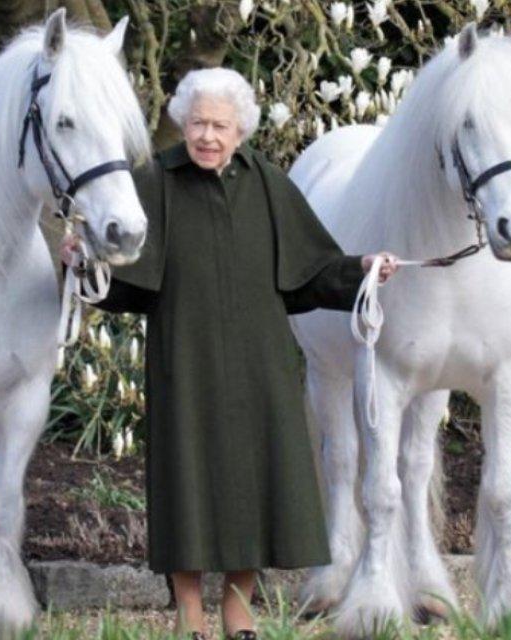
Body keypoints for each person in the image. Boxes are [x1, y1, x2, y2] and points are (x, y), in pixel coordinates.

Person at [60, 67, 399, 640]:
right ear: (181, 125)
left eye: (219, 125)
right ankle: (190, 615)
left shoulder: (266, 181)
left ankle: (238, 611)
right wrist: (82, 263)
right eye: (197, 124)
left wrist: (362, 269)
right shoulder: (157, 181)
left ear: (240, 129)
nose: (207, 136)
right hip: (183, 360)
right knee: (185, 485)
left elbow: (310, 272)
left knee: (254, 484)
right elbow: (126, 282)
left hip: (259, 362)